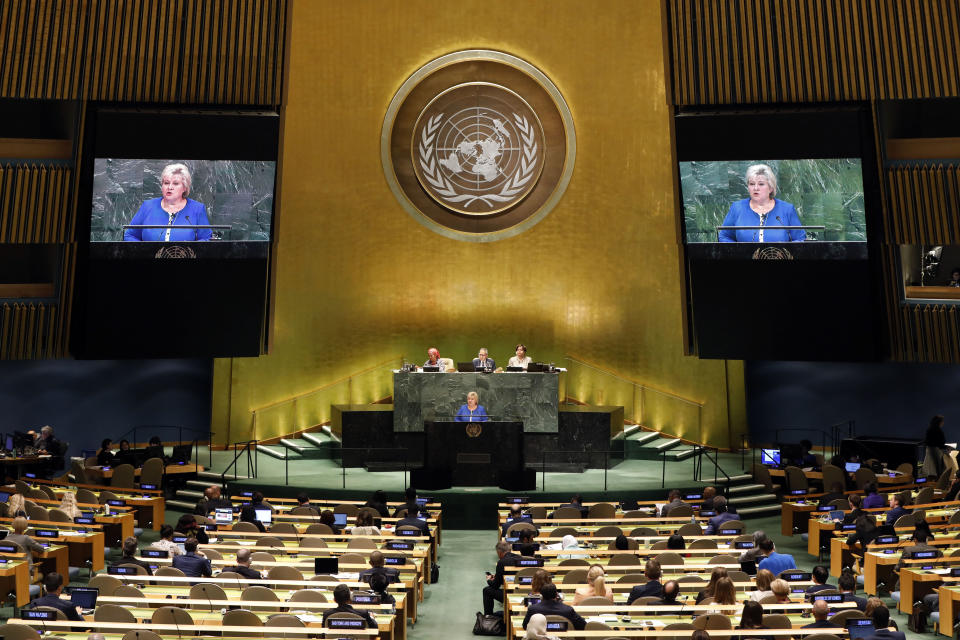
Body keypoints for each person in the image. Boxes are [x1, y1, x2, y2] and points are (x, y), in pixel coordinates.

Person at [124, 163, 212, 241]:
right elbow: (130, 235)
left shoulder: (197, 209)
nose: (170, 187)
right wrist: (143, 251)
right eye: (166, 183)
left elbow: (206, 238)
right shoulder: (148, 206)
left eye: (175, 183)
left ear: (185, 188)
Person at [718, 164, 806, 242]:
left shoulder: (787, 209)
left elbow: (800, 239)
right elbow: (724, 236)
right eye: (752, 184)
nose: (755, 188)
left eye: (761, 184)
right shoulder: (737, 208)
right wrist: (738, 252)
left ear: (771, 188)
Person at [521, 583, 586, 631]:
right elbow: (583, 625)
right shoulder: (568, 610)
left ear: (542, 596)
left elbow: (525, 627)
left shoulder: (533, 609)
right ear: (556, 595)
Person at [483, 540, 519, 615]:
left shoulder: (501, 562)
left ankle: (488, 617)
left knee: (487, 590)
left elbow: (496, 585)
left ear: (499, 552)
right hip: (523, 592)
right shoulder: (520, 558)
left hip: (511, 594)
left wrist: (489, 580)